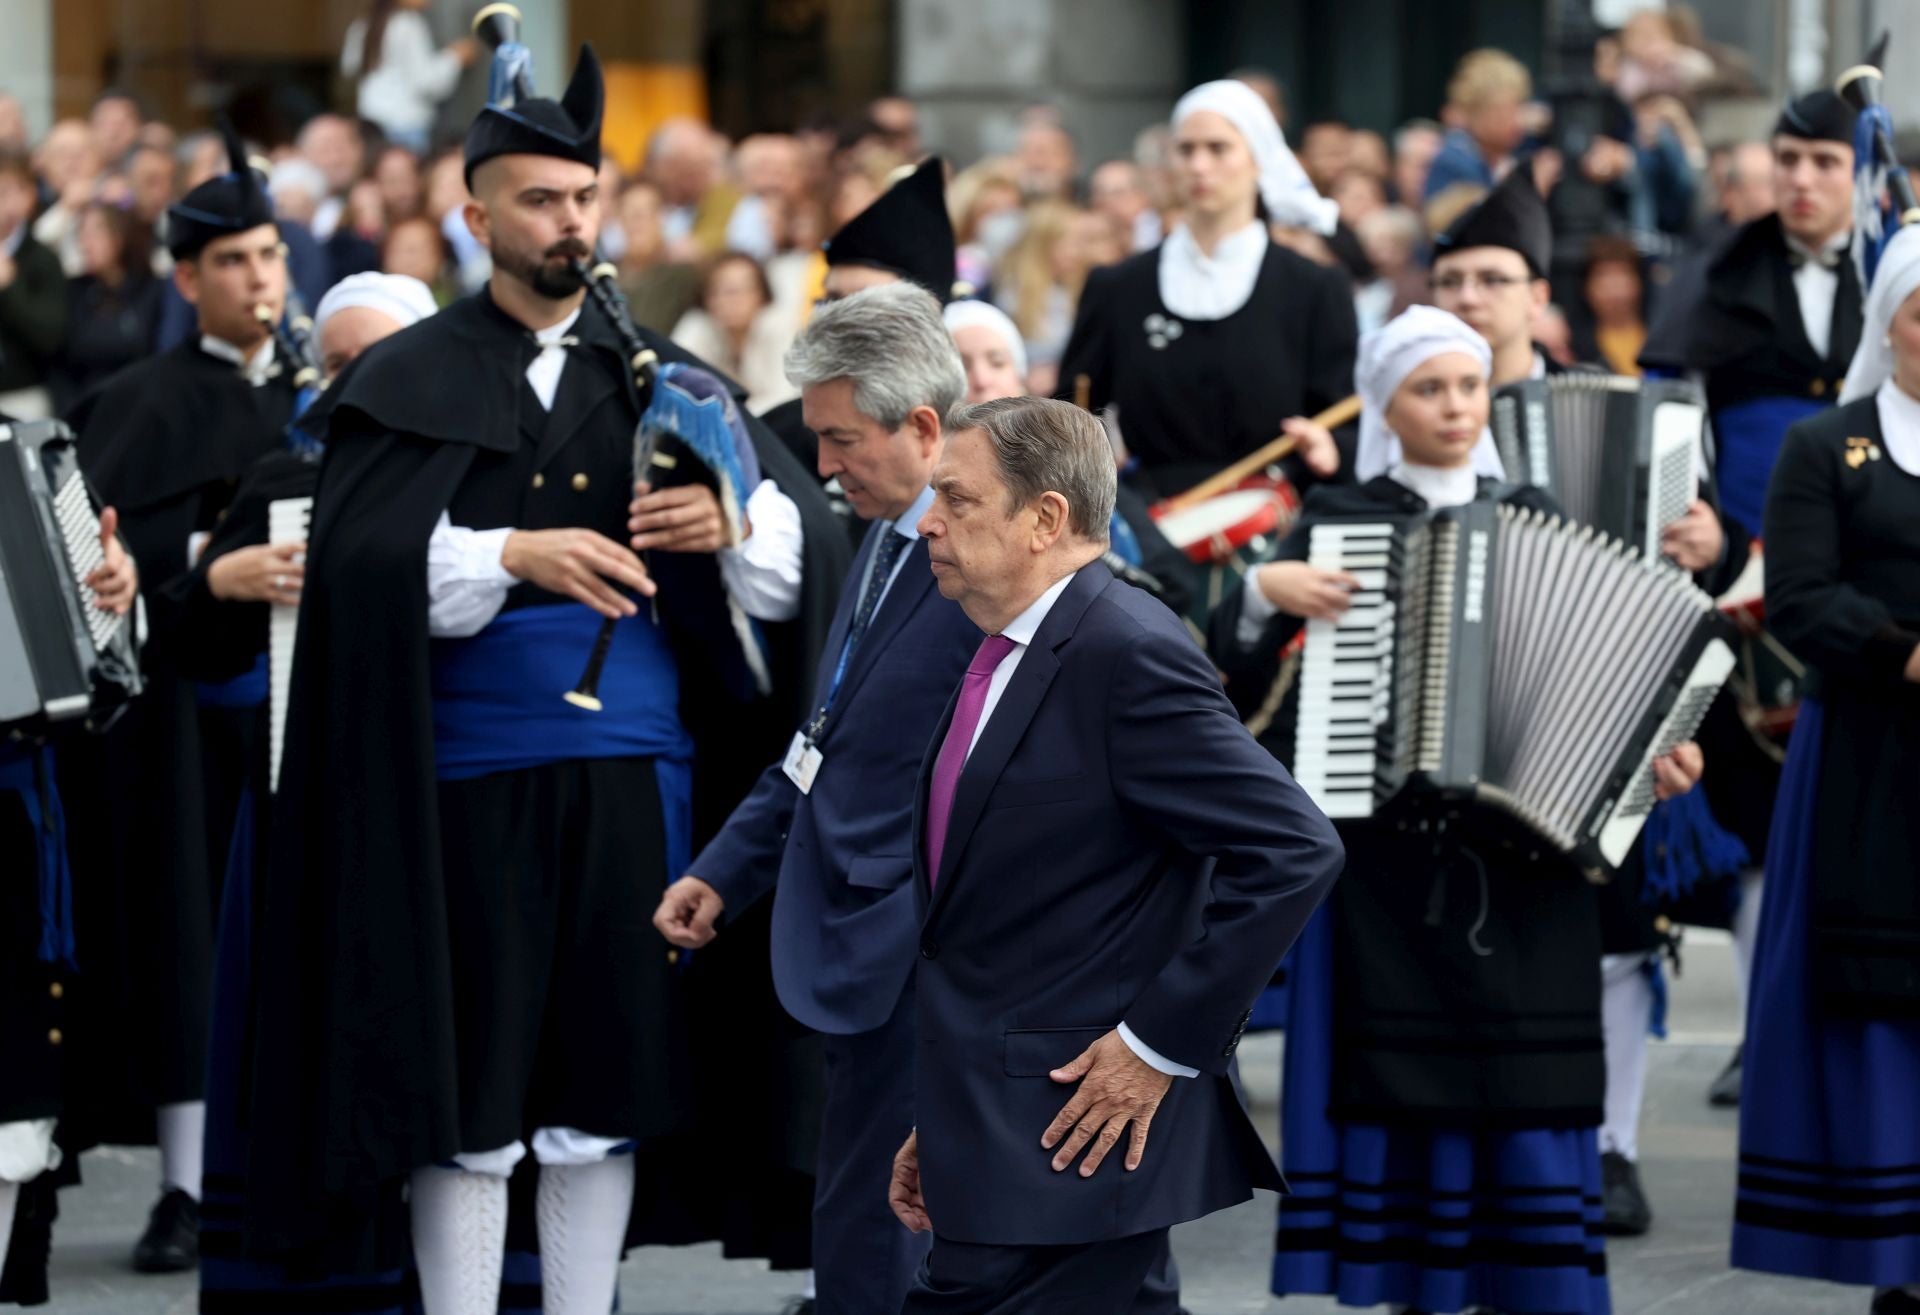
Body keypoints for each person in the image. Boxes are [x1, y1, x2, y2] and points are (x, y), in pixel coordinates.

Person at [240, 47, 844, 1314]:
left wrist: (733, 533)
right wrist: (509, 550)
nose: (570, 223)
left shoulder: (667, 375)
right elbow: (353, 567)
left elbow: (801, 576)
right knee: (466, 1087)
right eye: (538, 200)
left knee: (602, 1087)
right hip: (459, 782)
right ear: (475, 218)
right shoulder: (403, 378)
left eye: (585, 198)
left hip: (635, 777)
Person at [1208, 306, 1702, 1314]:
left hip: (1528, 873)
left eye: (1469, 386)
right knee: (1402, 1095)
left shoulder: (1544, 516)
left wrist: (1650, 765)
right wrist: (1263, 590)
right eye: (1429, 388)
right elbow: (1241, 680)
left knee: (1531, 1101)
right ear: (1387, 403)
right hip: (1389, 870)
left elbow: (1611, 691)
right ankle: (1415, 1290)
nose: (1454, 406)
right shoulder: (1342, 515)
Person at [885, 393, 1343, 1312]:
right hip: (1001, 1129)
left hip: (1069, 1142)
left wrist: (1159, 1044)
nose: (928, 522)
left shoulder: (1126, 649)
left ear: (1045, 517)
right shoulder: (1004, 647)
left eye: (959, 499)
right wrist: (944, 1117)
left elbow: (1294, 847)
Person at [653, 283, 978, 1315]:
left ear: (923, 428)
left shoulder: (989, 554)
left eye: (841, 441)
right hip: (855, 945)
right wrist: (725, 866)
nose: (825, 468)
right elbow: (825, 736)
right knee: (860, 1228)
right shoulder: (884, 536)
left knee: (901, 1239)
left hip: (932, 949)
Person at [54, 122, 298, 1274]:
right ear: (188, 277)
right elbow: (95, 563)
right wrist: (201, 575)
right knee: (187, 941)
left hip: (316, 710)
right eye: (235, 262)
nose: (260, 279)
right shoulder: (136, 399)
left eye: (271, 255)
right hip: (187, 717)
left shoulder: (337, 389)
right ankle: (188, 1186)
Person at [174, 272, 439, 1314]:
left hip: (430, 805)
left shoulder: (476, 480)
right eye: (336, 365)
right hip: (294, 815)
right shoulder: (286, 475)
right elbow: (192, 646)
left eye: (377, 362)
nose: (354, 385)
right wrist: (220, 583)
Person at [1639, 89, 1863, 1107]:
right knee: (1756, 804)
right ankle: (1766, 1020)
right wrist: (1704, 538)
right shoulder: (1722, 271)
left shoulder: (1898, 266)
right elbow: (1677, 417)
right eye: (1787, 159)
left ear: (1863, 171)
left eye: (1823, 160)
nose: (1802, 180)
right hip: (1744, 574)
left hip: (1878, 569)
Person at [1729, 221, 1920, 1315]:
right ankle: (1896, 1246)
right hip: (1869, 751)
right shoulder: (1825, 445)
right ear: (1889, 321)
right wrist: (1905, 649)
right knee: (1882, 994)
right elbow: (1798, 595)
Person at [1057, 79, 1354, 498]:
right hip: (1149, 526)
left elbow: (1347, 421)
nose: (1199, 165)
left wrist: (1331, 447)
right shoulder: (1118, 287)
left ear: (1258, 159)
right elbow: (1071, 412)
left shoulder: (1314, 287)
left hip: (1279, 518)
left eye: (1218, 148)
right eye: (1186, 149)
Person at [0, 485, 136, 1309]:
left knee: (12, 1110)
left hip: (15, 816)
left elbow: (102, 654)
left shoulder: (26, 460)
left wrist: (113, 590)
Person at [943, 296, 1196, 615]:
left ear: (1022, 382)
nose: (981, 381)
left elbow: (1174, 585)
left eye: (997, 362)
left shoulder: (1078, 477)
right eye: (963, 366)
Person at [50, 200, 162, 413]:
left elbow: (152, 353)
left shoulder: (151, 289)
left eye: (94, 233)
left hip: (139, 408)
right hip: (85, 413)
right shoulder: (75, 291)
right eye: (81, 234)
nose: (85, 243)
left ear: (119, 236)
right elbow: (60, 365)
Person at [341, 0, 479, 153]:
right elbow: (426, 83)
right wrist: (455, 57)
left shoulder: (363, 24)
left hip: (371, 123)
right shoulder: (408, 24)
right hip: (406, 126)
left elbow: (348, 69)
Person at [670, 251, 799, 413]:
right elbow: (676, 384)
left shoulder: (778, 325)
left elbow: (786, 397)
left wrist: (731, 415)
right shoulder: (700, 326)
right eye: (718, 291)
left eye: (738, 291)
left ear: (762, 294)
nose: (728, 300)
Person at [0, 146, 70, 420]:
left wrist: (11, 287)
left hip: (24, 396)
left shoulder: (41, 258)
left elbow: (50, 336)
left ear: (28, 195)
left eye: (5, 192)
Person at [1423, 49, 1533, 201]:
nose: (1518, 119)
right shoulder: (1453, 161)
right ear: (1474, 111)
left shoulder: (1517, 156)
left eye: (1520, 106)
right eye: (1503, 111)